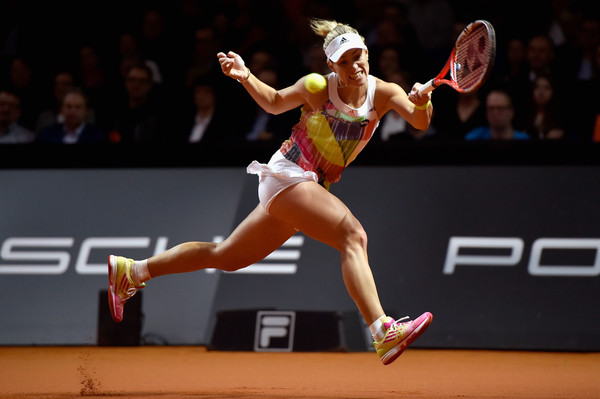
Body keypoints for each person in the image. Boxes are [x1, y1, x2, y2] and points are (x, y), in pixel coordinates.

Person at [107, 18, 433, 366]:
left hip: (306, 185)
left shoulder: (385, 92)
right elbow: (276, 102)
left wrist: (423, 100)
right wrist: (245, 75)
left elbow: (419, 122)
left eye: (358, 57)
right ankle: (382, 330)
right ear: (331, 65)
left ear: (368, 53)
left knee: (227, 256)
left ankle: (134, 270)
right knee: (353, 236)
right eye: (344, 61)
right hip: (288, 173)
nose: (354, 67)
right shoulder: (318, 87)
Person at [37, 88, 108, 144]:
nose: (72, 111)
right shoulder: (47, 135)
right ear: (61, 110)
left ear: (87, 111)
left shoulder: (98, 137)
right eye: (68, 107)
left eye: (78, 107)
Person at [465, 88, 530, 140]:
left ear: (511, 111)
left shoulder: (524, 141)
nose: (495, 113)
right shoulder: (474, 138)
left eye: (500, 108)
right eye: (491, 108)